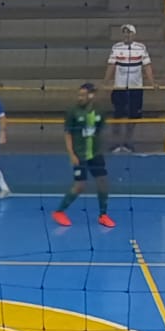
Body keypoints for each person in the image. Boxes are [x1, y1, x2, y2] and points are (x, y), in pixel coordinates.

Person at [53, 83, 113, 228]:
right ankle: (59, 211)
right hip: (79, 155)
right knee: (80, 185)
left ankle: (103, 215)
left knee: (103, 182)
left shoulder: (99, 111)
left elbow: (99, 131)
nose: (79, 98)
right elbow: (68, 134)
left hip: (95, 154)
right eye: (78, 95)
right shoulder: (72, 111)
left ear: (91, 95)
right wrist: (71, 154)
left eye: (83, 95)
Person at [104, 24, 153, 153]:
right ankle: (115, 142)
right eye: (124, 33)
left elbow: (147, 66)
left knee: (133, 115)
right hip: (120, 87)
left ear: (134, 34)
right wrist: (105, 82)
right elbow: (111, 65)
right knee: (118, 115)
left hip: (136, 87)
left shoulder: (141, 48)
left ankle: (128, 141)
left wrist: (152, 82)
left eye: (129, 33)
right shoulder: (116, 47)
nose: (127, 35)